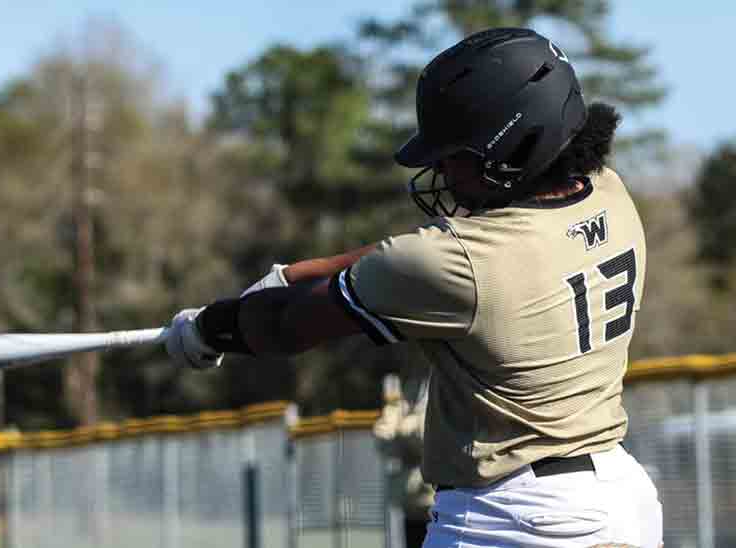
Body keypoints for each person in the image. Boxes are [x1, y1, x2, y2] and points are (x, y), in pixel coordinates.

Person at [166, 27, 662, 547]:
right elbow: (426, 253)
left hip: (516, 516)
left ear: (516, 144)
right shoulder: (609, 194)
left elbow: (286, 326)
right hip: (622, 498)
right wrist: (294, 274)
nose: (443, 169)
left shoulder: (462, 264)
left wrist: (209, 328)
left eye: (457, 154)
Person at [374, 371, 433, 548]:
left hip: (438, 497)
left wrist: (411, 426)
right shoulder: (412, 386)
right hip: (412, 498)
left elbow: (426, 436)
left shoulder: (442, 382)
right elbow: (385, 441)